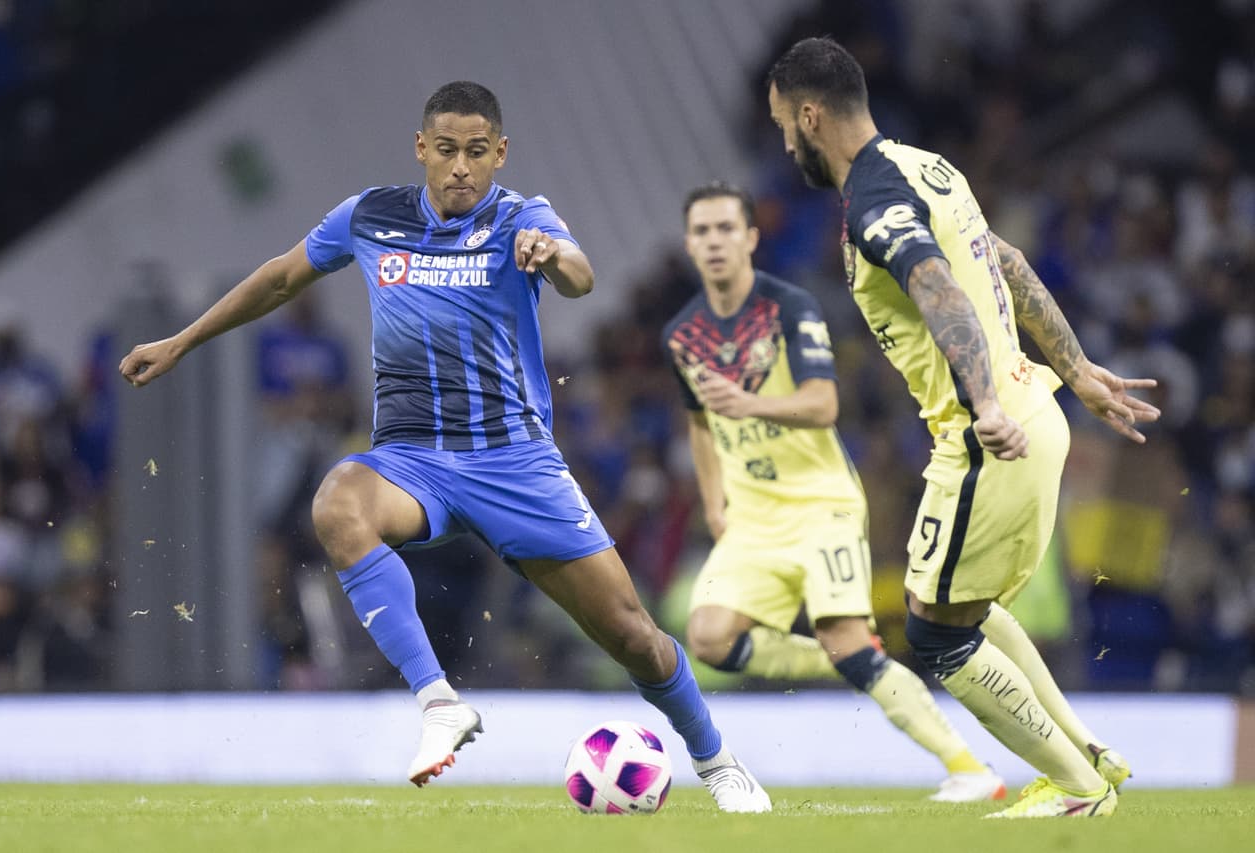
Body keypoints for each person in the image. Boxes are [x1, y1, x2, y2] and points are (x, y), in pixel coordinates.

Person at [118, 81, 770, 812]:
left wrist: (552, 253)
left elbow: (581, 279)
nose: (462, 167)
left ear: (500, 153)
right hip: (411, 460)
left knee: (633, 636)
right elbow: (278, 279)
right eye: (448, 151)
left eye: (478, 153)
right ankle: (438, 701)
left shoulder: (523, 215)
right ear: (422, 149)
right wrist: (182, 341)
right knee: (337, 503)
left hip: (512, 461)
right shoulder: (371, 216)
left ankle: (716, 758)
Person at [765, 37, 1161, 818]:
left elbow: (937, 283)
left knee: (937, 635)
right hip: (1033, 408)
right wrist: (1076, 368)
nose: (783, 142)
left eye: (784, 124)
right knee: (958, 607)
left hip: (991, 432)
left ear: (812, 115)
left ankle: (1080, 792)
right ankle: (1087, 752)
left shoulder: (875, 199)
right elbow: (1004, 260)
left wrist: (981, 403)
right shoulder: (928, 167)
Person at [665, 181, 1005, 802]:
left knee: (846, 636)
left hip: (822, 504)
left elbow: (824, 404)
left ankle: (969, 768)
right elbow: (698, 422)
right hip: (753, 518)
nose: (714, 241)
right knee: (710, 637)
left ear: (750, 238)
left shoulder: (789, 307)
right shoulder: (682, 335)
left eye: (725, 229)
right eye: (702, 231)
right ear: (690, 244)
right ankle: (854, 663)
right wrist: (713, 500)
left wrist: (747, 401)